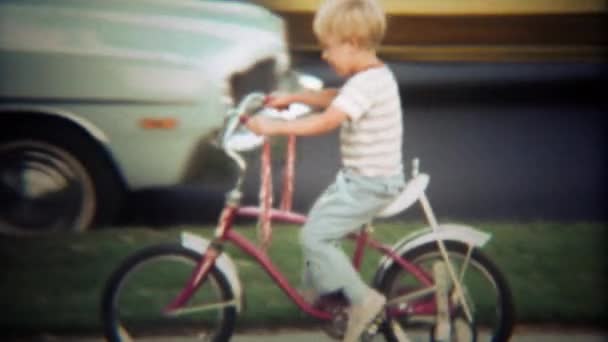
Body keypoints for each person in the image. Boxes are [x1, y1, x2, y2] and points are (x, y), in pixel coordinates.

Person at [245, 0, 405, 340]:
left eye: (328, 47)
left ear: (351, 43)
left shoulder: (367, 84)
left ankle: (362, 301)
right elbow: (335, 98)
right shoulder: (371, 77)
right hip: (362, 179)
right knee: (318, 226)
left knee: (314, 236)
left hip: (370, 184)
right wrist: (295, 98)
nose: (325, 56)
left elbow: (328, 121)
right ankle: (329, 296)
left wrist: (274, 127)